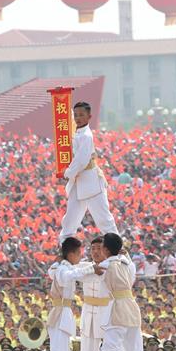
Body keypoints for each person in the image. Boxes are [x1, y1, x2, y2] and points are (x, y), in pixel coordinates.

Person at [40, 237, 93, 351]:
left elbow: (71, 269)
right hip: (61, 313)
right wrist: (90, 269)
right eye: (78, 254)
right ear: (71, 254)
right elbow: (67, 276)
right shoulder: (63, 269)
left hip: (62, 312)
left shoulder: (60, 266)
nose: (80, 258)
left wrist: (89, 267)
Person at [99, 232, 150, 351]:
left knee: (109, 350)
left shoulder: (105, 265)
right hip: (132, 306)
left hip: (117, 308)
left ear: (105, 249)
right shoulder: (128, 263)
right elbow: (132, 272)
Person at [58, 101, 118, 245]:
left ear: (89, 116)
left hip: (90, 181)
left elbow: (81, 160)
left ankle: (118, 250)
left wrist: (67, 172)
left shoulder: (86, 135)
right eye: (76, 115)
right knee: (70, 220)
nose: (78, 118)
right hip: (78, 181)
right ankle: (64, 249)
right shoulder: (76, 133)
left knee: (104, 220)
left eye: (82, 115)